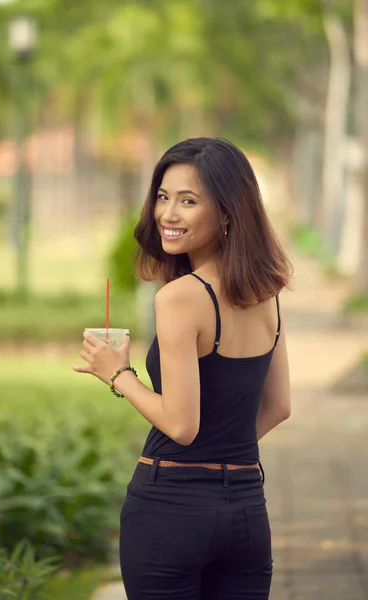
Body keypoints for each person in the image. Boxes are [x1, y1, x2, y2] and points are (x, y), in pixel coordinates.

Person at [73, 137, 292, 599]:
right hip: (247, 512)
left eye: (188, 201)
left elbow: (181, 424)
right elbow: (279, 407)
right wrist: (224, 465)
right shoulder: (266, 292)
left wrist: (118, 374)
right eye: (163, 197)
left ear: (228, 211)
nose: (168, 214)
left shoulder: (178, 299)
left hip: (170, 509)